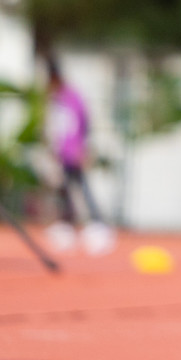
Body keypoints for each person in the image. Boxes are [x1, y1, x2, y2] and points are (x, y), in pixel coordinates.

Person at [42, 56, 114, 256]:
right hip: (62, 153)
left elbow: (82, 124)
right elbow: (57, 127)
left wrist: (83, 148)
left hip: (74, 152)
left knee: (82, 187)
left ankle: (98, 226)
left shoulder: (72, 97)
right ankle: (67, 225)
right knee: (65, 190)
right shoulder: (56, 99)